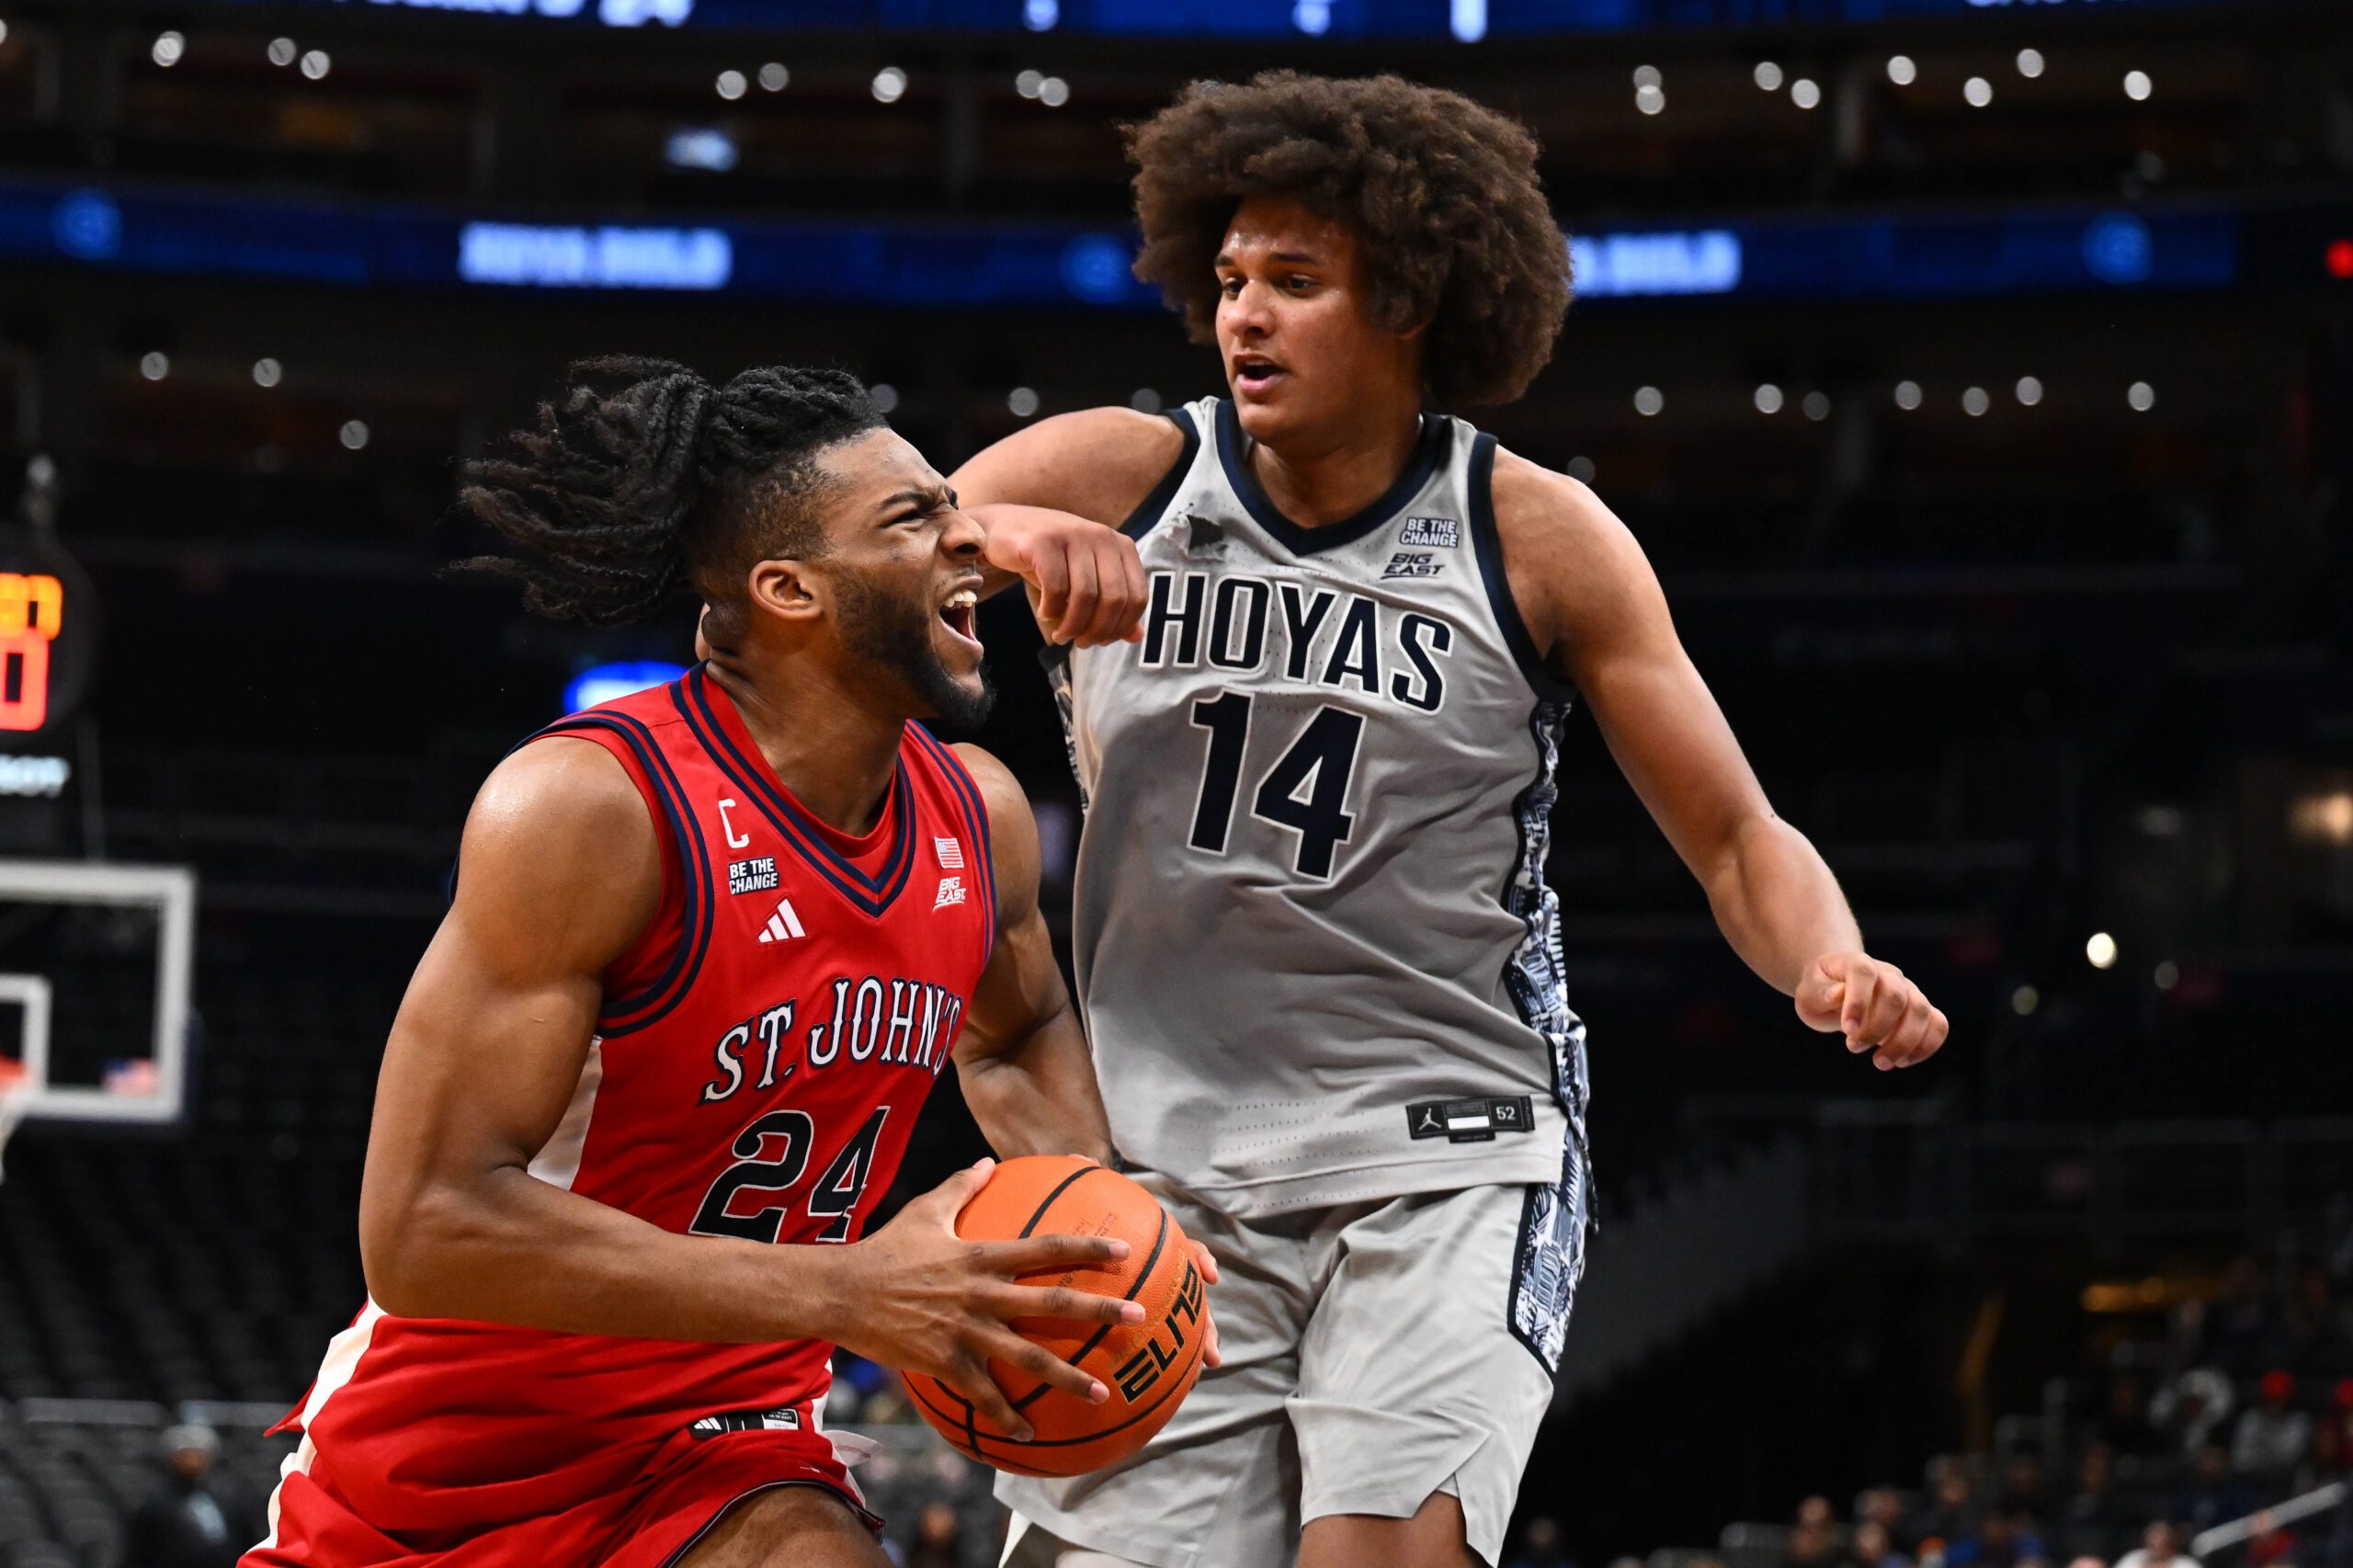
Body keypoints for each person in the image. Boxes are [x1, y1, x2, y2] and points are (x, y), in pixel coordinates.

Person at [950, 70, 1949, 1568]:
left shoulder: (1533, 534)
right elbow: (865, 559)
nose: (1244, 318)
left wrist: (1832, 959)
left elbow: (1741, 838)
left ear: (1413, 299)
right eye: (1229, 281)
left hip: (1444, 1147)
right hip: (1160, 1166)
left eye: (1298, 281)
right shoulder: (1124, 469)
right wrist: (997, 534)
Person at [245, 360, 1192, 1568]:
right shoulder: (592, 810)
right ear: (788, 588)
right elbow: (424, 1227)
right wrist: (850, 1292)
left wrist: (1112, 1226)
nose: (978, 538)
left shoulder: (977, 815)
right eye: (917, 517)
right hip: (448, 1459)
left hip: (730, 1443)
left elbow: (1013, 1030)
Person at [129, 1424, 256, 1568]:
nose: (192, 1460)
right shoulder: (155, 1507)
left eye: (198, 1454)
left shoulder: (231, 1502)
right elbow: (139, 1553)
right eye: (185, 1454)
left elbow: (248, 1543)